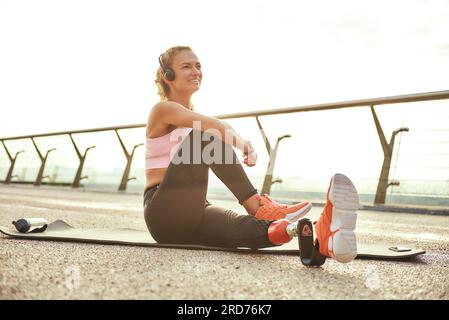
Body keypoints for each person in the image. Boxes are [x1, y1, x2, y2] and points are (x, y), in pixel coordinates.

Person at [143, 46, 359, 263]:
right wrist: (245, 146)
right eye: (186, 66)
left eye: (198, 66)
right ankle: (257, 205)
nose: (195, 71)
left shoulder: (188, 115)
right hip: (163, 211)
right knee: (206, 136)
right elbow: (212, 127)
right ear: (167, 75)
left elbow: (211, 127)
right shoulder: (162, 110)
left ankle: (318, 235)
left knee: (240, 227)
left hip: (192, 211)